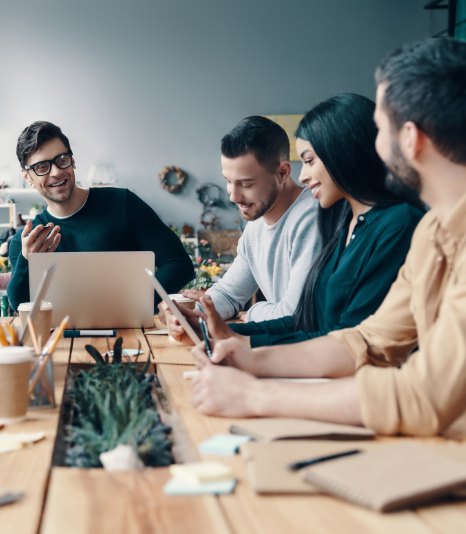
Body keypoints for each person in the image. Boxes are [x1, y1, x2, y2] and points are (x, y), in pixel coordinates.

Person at [188, 38, 466, 437]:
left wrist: (255, 395)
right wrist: (249, 357)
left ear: (410, 138)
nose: (373, 144)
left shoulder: (406, 224)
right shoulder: (432, 231)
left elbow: (424, 395)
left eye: (380, 129)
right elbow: (366, 340)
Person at [161, 94, 425, 347]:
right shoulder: (346, 222)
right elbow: (314, 324)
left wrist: (248, 322)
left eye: (309, 160)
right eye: (228, 182)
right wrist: (202, 322)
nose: (233, 196)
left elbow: (329, 332)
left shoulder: (349, 219)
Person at [6, 121, 194, 311]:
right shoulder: (28, 242)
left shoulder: (122, 203)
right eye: (41, 167)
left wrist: (134, 305)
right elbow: (20, 304)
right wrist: (26, 260)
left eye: (62, 160)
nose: (56, 172)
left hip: (130, 328)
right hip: (62, 331)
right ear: (27, 177)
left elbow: (179, 264)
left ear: (72, 161)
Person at [196, 116, 322, 322]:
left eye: (246, 184)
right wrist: (190, 313)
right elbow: (228, 294)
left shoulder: (311, 218)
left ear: (282, 173)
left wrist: (253, 312)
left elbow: (296, 315)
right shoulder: (255, 225)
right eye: (228, 181)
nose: (233, 197)